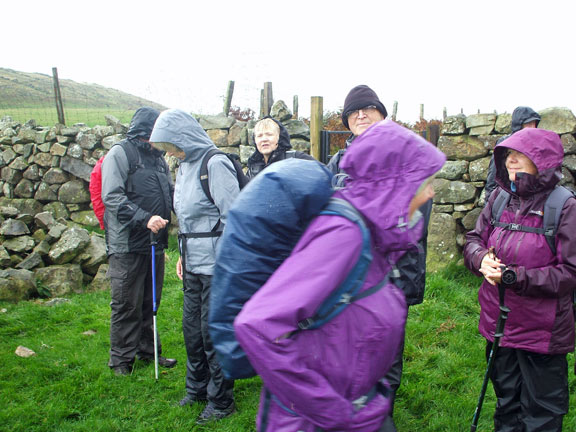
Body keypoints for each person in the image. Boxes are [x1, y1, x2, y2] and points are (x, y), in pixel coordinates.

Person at [234, 119, 446, 431]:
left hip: (359, 408)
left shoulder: (381, 234)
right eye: (423, 181)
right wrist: (335, 411)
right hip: (313, 421)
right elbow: (257, 326)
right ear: (394, 180)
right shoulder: (344, 234)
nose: (429, 193)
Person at [328, 84, 432, 430]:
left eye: (369, 108)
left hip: (389, 278)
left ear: (383, 115)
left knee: (383, 363)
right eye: (354, 111)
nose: (361, 114)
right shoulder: (338, 162)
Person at [463, 128, 576, 431]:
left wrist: (514, 277)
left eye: (518, 155)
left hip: (542, 333)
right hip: (499, 328)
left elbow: (570, 273)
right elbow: (474, 238)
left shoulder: (565, 207)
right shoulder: (501, 198)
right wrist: (480, 259)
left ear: (542, 160)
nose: (510, 161)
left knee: (541, 413)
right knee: (507, 405)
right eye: (507, 156)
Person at [149, 108, 237, 424]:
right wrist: (183, 256)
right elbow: (186, 220)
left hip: (217, 266)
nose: (169, 152)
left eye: (170, 144)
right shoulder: (184, 168)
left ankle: (222, 401)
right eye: (164, 147)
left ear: (183, 136)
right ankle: (196, 390)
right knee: (192, 332)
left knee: (212, 333)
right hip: (193, 264)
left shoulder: (215, 164)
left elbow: (233, 218)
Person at [101, 107, 176, 376]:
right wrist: (144, 218)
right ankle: (121, 361)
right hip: (127, 243)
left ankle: (148, 352)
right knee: (126, 303)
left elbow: (170, 193)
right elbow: (112, 197)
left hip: (154, 241)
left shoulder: (159, 160)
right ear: (144, 133)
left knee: (149, 302)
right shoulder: (120, 154)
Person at [483, 106, 540, 203]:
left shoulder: (538, 144)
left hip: (534, 200)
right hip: (509, 199)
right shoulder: (505, 143)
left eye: (534, 124)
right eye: (528, 124)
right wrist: (490, 204)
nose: (532, 128)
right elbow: (494, 176)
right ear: (518, 125)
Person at [246, 116, 315, 178]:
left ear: (279, 137)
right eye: (259, 136)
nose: (264, 139)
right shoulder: (252, 170)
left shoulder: (295, 159)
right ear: (255, 140)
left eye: (269, 134)